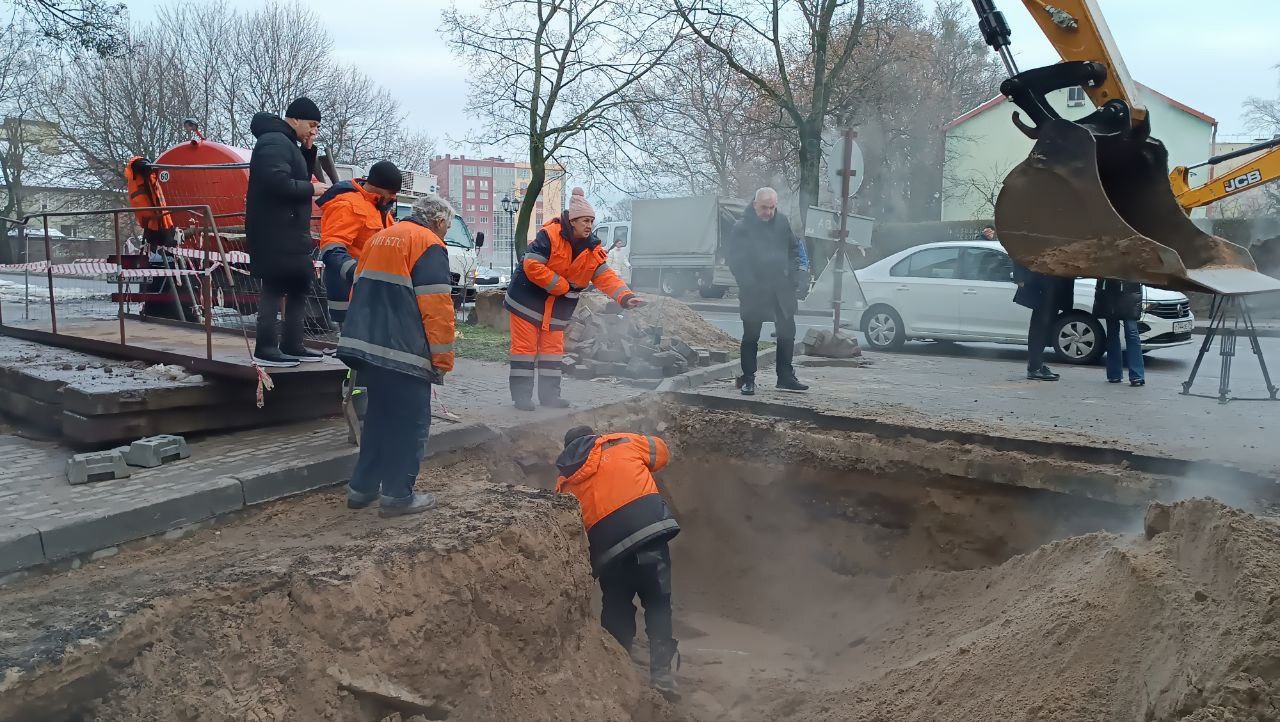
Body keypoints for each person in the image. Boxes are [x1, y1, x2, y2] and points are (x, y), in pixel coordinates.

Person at [336, 194, 455, 517]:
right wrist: (442, 359)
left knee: (379, 418)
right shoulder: (428, 243)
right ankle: (398, 496)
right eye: (447, 225)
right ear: (440, 221)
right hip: (404, 351)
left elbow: (359, 288)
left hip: (369, 347)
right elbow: (437, 307)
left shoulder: (379, 239)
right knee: (410, 423)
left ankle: (362, 488)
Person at [555, 424, 681, 700]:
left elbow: (569, 529)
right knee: (658, 603)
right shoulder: (623, 442)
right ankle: (662, 675)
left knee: (617, 607)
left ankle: (618, 672)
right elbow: (661, 453)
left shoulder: (564, 483)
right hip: (649, 537)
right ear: (596, 438)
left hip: (610, 553)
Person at [504, 188, 643, 411]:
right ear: (573, 220)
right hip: (526, 303)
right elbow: (531, 265)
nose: (589, 225)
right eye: (585, 220)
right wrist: (561, 286)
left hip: (557, 308)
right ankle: (521, 398)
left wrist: (625, 297)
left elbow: (604, 276)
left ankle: (550, 398)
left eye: (591, 221)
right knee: (525, 350)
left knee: (552, 352)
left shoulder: (592, 249)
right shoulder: (549, 235)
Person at [245, 96, 330, 368]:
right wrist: (312, 189)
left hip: (290, 231)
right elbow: (275, 182)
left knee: (299, 283)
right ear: (294, 119)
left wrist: (307, 151)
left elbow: (296, 174)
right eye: (312, 124)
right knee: (274, 286)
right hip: (273, 231)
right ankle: (266, 348)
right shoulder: (272, 141)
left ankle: (292, 343)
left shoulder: (287, 143)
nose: (314, 131)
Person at [728, 187, 810, 395]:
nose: (769, 212)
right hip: (754, 290)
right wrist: (748, 283)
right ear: (755, 205)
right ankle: (748, 379)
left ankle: (785, 376)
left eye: (772, 208)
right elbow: (736, 261)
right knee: (751, 337)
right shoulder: (742, 228)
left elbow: (793, 248)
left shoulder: (782, 222)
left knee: (787, 333)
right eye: (765, 208)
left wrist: (794, 276)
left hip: (781, 288)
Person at [317, 160, 400, 327]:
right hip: (353, 290)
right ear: (377, 186)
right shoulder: (347, 204)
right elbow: (332, 249)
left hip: (371, 288)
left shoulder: (378, 207)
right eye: (391, 192)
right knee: (355, 346)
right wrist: (358, 274)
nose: (394, 197)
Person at [1013, 259, 1074, 381]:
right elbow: (1019, 248)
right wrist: (1019, 277)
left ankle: (1036, 365)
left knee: (1045, 326)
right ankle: (1034, 367)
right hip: (1043, 284)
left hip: (1054, 283)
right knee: (1040, 326)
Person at [1094, 278, 1146, 387]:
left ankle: (1136, 375)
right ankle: (1114, 374)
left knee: (1131, 331)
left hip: (1130, 290)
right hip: (1110, 290)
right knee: (1112, 333)